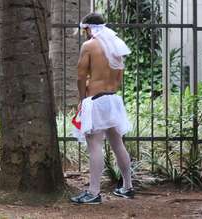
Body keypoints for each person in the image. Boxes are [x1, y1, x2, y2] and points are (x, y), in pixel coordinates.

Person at [70, 13, 134, 204]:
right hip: (113, 99)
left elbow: (81, 76)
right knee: (117, 143)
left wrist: (82, 99)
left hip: (95, 99)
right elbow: (119, 74)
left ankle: (94, 192)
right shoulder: (116, 44)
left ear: (88, 28)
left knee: (94, 145)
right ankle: (128, 187)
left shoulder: (89, 46)